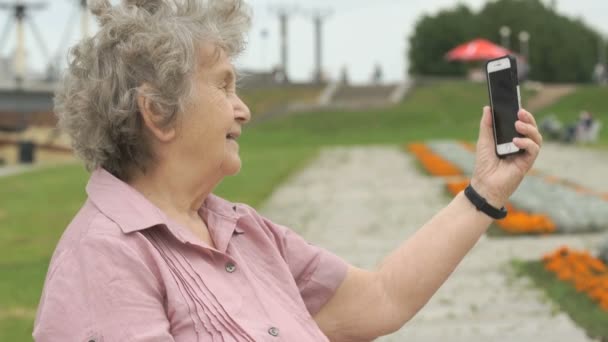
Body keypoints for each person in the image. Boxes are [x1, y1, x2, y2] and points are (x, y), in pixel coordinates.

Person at [32, 0, 543, 341]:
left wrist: (484, 190)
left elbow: (381, 297)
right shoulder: (103, 260)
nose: (243, 110)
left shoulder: (244, 232)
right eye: (224, 86)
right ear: (158, 113)